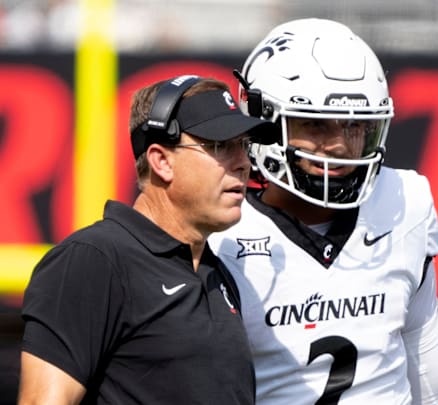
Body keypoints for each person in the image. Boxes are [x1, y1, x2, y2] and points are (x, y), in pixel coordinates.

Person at [208, 18, 438, 404]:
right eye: (315, 125)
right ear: (261, 120)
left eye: (353, 127)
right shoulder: (220, 235)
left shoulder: (404, 202)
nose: (337, 145)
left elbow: (436, 381)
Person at [18, 75, 279, 404]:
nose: (243, 162)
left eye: (243, 145)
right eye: (219, 146)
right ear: (162, 161)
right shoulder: (94, 259)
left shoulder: (217, 273)